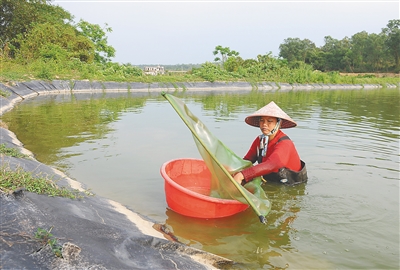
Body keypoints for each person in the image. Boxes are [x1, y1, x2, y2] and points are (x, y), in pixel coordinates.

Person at [233, 101, 307, 186]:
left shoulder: (285, 143)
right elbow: (247, 161)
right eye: (262, 120)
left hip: (291, 186)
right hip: (271, 182)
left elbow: (273, 164)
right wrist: (234, 171)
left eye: (269, 121)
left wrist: (242, 175)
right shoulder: (260, 140)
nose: (264, 124)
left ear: (279, 124)